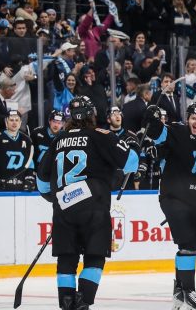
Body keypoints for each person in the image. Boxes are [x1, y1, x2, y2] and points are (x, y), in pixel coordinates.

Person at [36, 96, 139, 310]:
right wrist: (134, 147)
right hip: (94, 209)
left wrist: (60, 200)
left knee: (66, 259)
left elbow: (42, 183)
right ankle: (83, 302)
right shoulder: (101, 135)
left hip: (63, 210)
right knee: (94, 257)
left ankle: (67, 304)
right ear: (91, 114)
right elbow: (131, 164)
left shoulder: (58, 139)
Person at [143, 102, 196, 309]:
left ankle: (180, 289)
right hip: (172, 197)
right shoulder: (177, 131)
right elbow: (155, 131)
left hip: (192, 199)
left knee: (189, 244)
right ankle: (189, 291)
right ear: (187, 118)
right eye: (193, 118)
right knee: (188, 242)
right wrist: (151, 115)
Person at [0, 110, 35, 191]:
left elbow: (29, 164)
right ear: (6, 122)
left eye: (17, 120)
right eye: (11, 120)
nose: (14, 123)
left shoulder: (27, 140)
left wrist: (29, 179)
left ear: (20, 122)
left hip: (20, 188)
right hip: (1, 188)